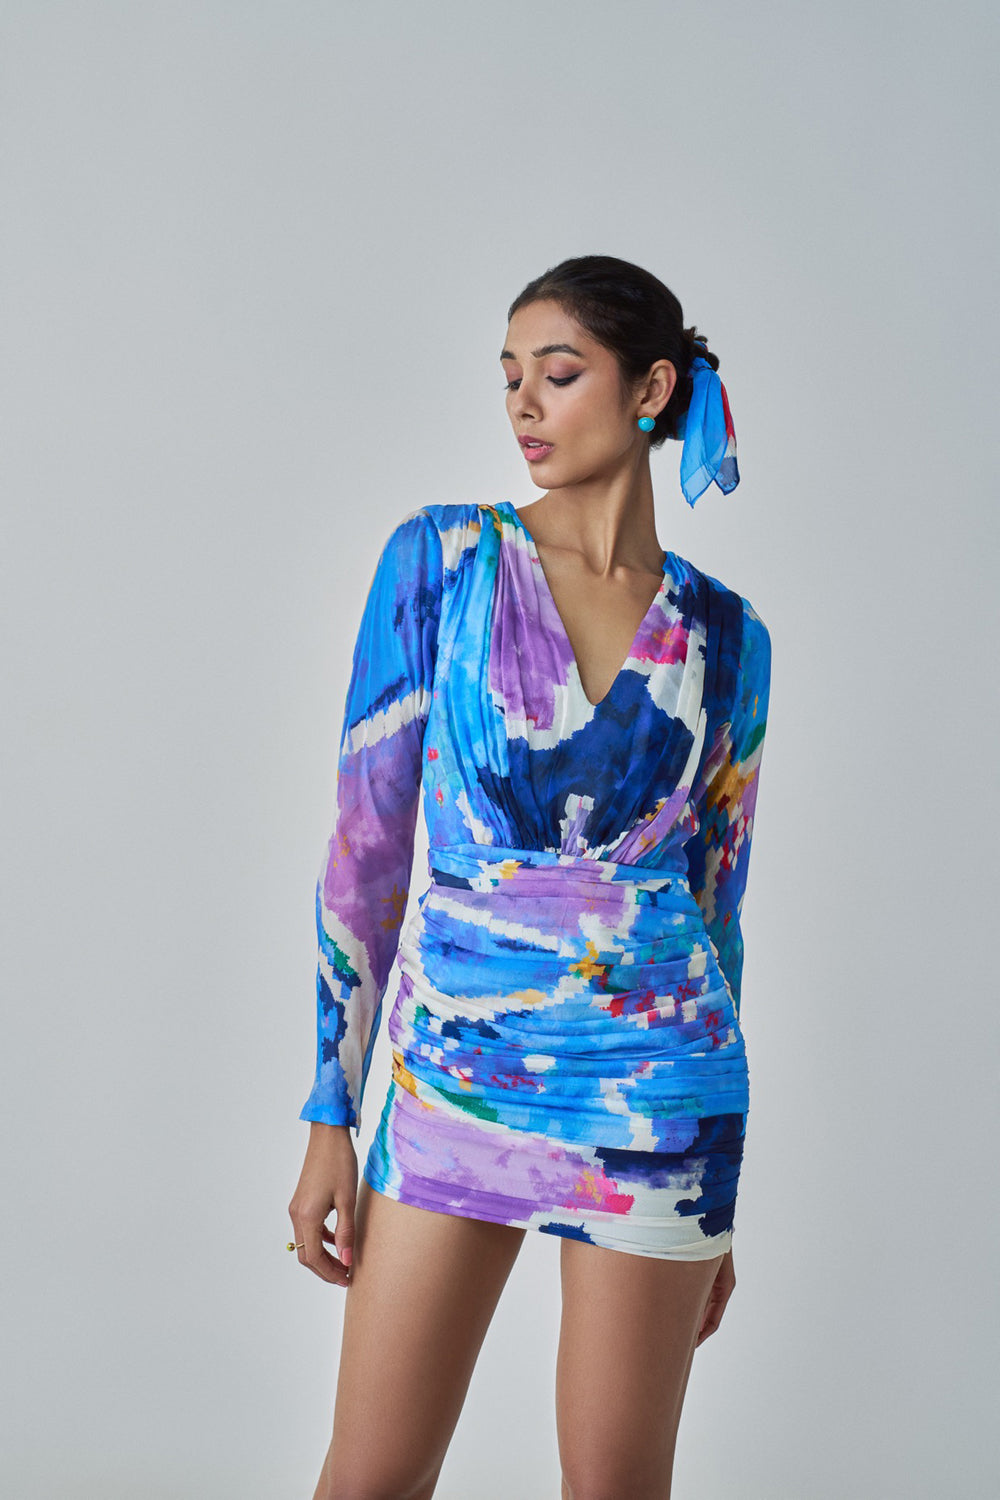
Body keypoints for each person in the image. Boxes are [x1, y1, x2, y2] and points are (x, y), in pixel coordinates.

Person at [287, 253, 772, 1500]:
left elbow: (716, 906)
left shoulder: (729, 638)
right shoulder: (443, 562)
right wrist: (331, 1113)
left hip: (659, 1101)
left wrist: (711, 1199)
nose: (522, 404)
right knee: (371, 1476)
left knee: (615, 1487)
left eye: (558, 374)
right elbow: (365, 855)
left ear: (650, 390)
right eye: (509, 376)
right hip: (456, 1075)